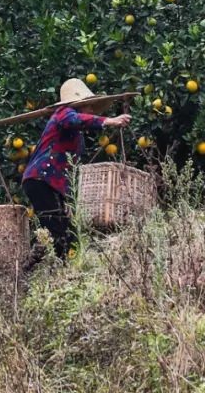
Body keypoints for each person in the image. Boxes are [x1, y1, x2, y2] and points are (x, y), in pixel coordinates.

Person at [21, 78, 132, 259]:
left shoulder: (74, 131)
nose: (91, 110)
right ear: (78, 106)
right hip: (40, 180)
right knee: (60, 233)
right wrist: (110, 121)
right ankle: (39, 269)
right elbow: (74, 120)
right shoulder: (63, 114)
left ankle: (39, 265)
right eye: (88, 106)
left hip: (51, 184)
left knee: (66, 232)